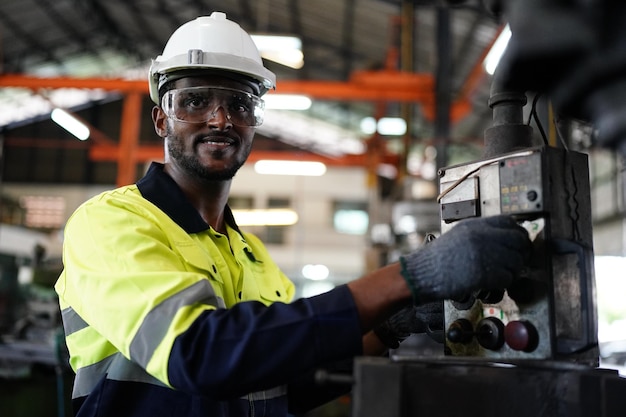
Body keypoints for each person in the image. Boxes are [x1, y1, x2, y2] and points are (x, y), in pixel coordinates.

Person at [54, 11, 532, 417]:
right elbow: (202, 355)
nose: (220, 119)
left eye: (240, 104)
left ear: (254, 122)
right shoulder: (110, 224)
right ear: (162, 117)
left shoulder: (254, 257)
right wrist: (407, 277)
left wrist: (392, 324)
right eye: (196, 100)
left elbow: (289, 381)